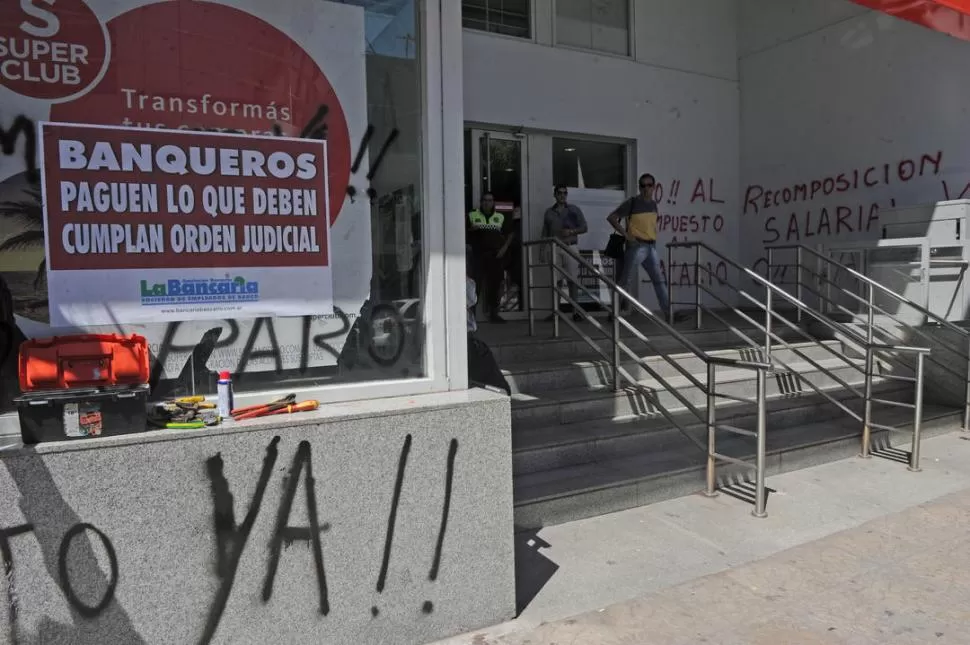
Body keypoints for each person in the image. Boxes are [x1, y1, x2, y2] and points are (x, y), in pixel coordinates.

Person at [607, 173, 683, 322]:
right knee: (625, 280)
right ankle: (613, 313)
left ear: (654, 187)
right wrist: (627, 235)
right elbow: (612, 218)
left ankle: (669, 314)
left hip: (650, 247)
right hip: (636, 246)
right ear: (639, 187)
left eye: (649, 185)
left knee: (659, 280)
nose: (646, 188)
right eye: (643, 185)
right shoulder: (632, 203)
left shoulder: (653, 204)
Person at [541, 184, 588, 322]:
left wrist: (572, 231)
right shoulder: (549, 212)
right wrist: (542, 249)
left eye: (565, 193)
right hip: (554, 246)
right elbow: (545, 232)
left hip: (570, 246)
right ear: (555, 195)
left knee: (572, 280)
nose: (562, 195)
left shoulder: (574, 210)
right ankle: (556, 311)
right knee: (556, 280)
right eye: (559, 193)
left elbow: (584, 227)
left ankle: (576, 311)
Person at [467, 192, 511, 323]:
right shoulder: (472, 215)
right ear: (481, 202)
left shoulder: (500, 217)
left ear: (493, 203)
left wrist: (504, 249)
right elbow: (465, 233)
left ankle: (494, 314)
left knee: (495, 285)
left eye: (490, 200)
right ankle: (471, 316)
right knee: (476, 286)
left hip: (495, 256)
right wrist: (471, 230)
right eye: (485, 200)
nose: (487, 203)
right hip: (478, 256)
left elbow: (510, 234)